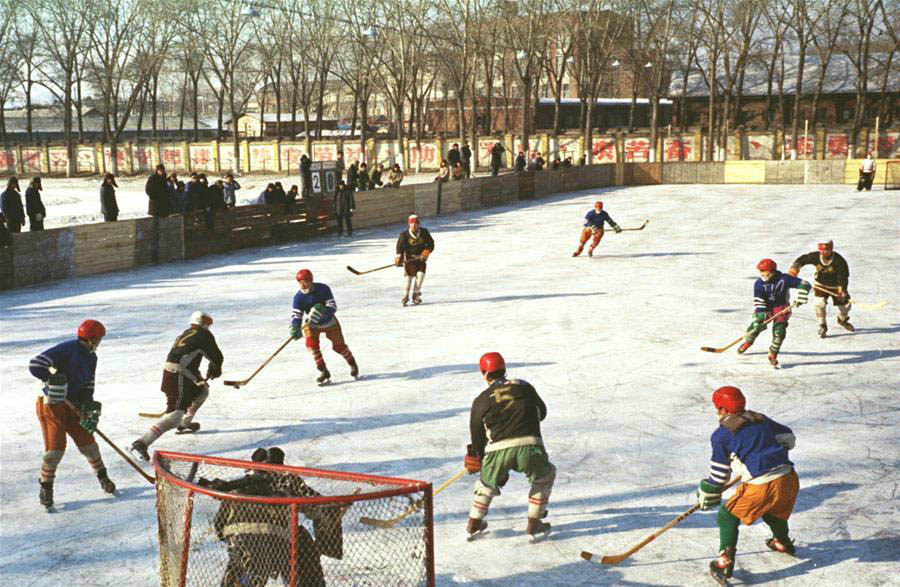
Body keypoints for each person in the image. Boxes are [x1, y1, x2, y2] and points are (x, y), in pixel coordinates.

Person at [206, 446, 351, 587]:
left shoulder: (237, 485)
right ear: (281, 465)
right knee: (301, 540)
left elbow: (220, 525)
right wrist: (336, 508)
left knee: (242, 566)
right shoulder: (288, 480)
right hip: (277, 542)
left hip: (241, 540)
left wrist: (232, 539)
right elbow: (317, 505)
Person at [698, 386, 799, 584]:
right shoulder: (759, 418)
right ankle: (782, 542)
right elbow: (788, 438)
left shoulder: (721, 435)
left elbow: (719, 477)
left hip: (762, 484)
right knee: (772, 510)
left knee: (727, 516)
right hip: (788, 477)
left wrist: (707, 489)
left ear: (722, 409)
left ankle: (724, 562)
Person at [464, 352, 556, 540]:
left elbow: (477, 432)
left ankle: (474, 522)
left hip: (497, 450)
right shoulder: (524, 386)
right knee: (544, 476)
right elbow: (542, 412)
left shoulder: (481, 399)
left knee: (486, 484)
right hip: (531, 445)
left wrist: (481, 458)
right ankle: (534, 521)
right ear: (504, 369)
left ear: (484, 373)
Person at [29, 319, 115, 509]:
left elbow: (89, 384)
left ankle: (103, 477)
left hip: (74, 404)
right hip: (51, 404)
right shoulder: (67, 349)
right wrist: (53, 380)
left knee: (89, 445)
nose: (100, 342)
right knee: (55, 450)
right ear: (92, 339)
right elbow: (36, 364)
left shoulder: (92, 357)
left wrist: (87, 403)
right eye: (99, 338)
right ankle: (46, 487)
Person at [130, 311, 224, 461]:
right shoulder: (204, 335)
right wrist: (216, 368)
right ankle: (143, 442)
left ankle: (185, 424)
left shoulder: (186, 332)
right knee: (174, 415)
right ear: (204, 324)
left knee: (202, 390)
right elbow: (216, 356)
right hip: (179, 374)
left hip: (180, 372)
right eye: (208, 324)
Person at [289, 269, 358, 386]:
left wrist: (324, 311)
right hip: (311, 324)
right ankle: (323, 371)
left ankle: (352, 363)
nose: (303, 284)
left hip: (329, 322)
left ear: (311, 280)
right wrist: (295, 327)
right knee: (311, 345)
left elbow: (332, 306)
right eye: (300, 282)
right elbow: (297, 314)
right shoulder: (298, 297)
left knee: (339, 347)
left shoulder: (323, 289)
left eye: (305, 281)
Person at [737, 259, 811, 367]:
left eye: (764, 271)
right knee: (755, 327)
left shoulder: (784, 278)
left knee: (779, 332)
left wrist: (802, 293)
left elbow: (804, 284)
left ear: (772, 271)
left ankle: (773, 354)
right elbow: (759, 302)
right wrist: (759, 317)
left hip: (781, 308)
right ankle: (748, 342)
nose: (762, 274)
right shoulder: (759, 284)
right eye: (760, 271)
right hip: (765, 308)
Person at [788, 240, 852, 337]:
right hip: (820, 285)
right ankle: (822, 325)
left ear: (831, 249)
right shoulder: (816, 256)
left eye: (826, 250)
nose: (823, 252)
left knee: (846, 307)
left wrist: (842, 290)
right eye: (821, 250)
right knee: (819, 303)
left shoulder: (839, 261)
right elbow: (803, 259)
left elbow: (843, 277)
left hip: (836, 287)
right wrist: (795, 268)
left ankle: (842, 319)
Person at [394, 214, 434, 306]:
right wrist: (398, 257)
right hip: (409, 260)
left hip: (420, 259)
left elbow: (431, 244)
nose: (414, 225)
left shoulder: (424, 232)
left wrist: (427, 251)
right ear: (409, 224)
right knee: (408, 278)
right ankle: (405, 296)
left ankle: (416, 295)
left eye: (416, 223)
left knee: (420, 277)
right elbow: (399, 247)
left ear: (419, 224)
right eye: (412, 223)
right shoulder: (404, 235)